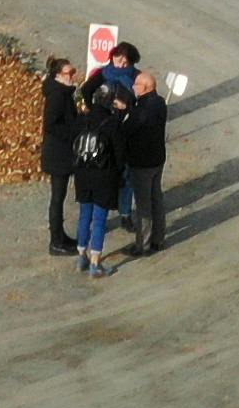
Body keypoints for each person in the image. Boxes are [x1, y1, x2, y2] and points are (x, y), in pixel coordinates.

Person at [66, 72, 128, 277]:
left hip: (83, 174)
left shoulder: (82, 120)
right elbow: (120, 156)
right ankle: (95, 262)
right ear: (110, 101)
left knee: (85, 215)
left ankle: (81, 256)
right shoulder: (112, 124)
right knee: (99, 219)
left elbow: (72, 144)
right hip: (104, 174)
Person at [121, 64, 170, 256]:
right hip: (158, 158)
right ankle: (158, 238)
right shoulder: (160, 103)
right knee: (156, 198)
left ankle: (143, 244)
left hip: (142, 162)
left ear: (146, 87)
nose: (134, 87)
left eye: (137, 85)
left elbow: (127, 131)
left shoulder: (140, 110)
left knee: (143, 205)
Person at [38, 58, 85, 256]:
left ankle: (61, 236)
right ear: (58, 76)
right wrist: (74, 130)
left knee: (60, 197)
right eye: (69, 73)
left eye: (73, 71)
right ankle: (56, 241)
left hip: (61, 153)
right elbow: (51, 124)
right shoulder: (57, 96)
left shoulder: (63, 93)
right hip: (58, 155)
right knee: (57, 198)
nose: (72, 76)